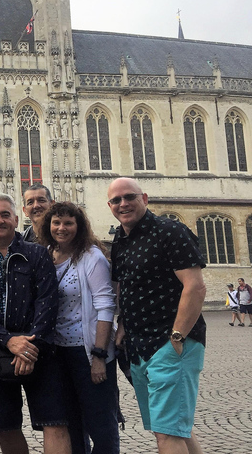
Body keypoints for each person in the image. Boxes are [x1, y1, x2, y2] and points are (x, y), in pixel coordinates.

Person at [0, 193, 70, 454]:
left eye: (5, 215)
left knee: (55, 422)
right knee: (5, 426)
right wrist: (9, 341)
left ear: (16, 219)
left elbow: (48, 300)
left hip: (39, 350)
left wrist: (29, 344)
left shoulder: (37, 254)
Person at [108, 177, 207, 454]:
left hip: (170, 343)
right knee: (174, 428)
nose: (123, 203)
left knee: (167, 433)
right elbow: (125, 286)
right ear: (110, 205)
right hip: (141, 348)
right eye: (116, 200)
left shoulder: (170, 231)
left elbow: (195, 286)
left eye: (130, 197)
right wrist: (123, 326)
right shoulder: (121, 240)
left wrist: (177, 337)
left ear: (145, 198)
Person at [38, 202, 119, 453]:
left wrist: (99, 355)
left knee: (101, 426)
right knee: (72, 425)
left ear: (79, 226)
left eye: (68, 223)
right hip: (58, 353)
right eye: (56, 222)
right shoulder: (46, 254)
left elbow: (106, 306)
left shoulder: (91, 256)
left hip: (87, 352)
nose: (62, 228)